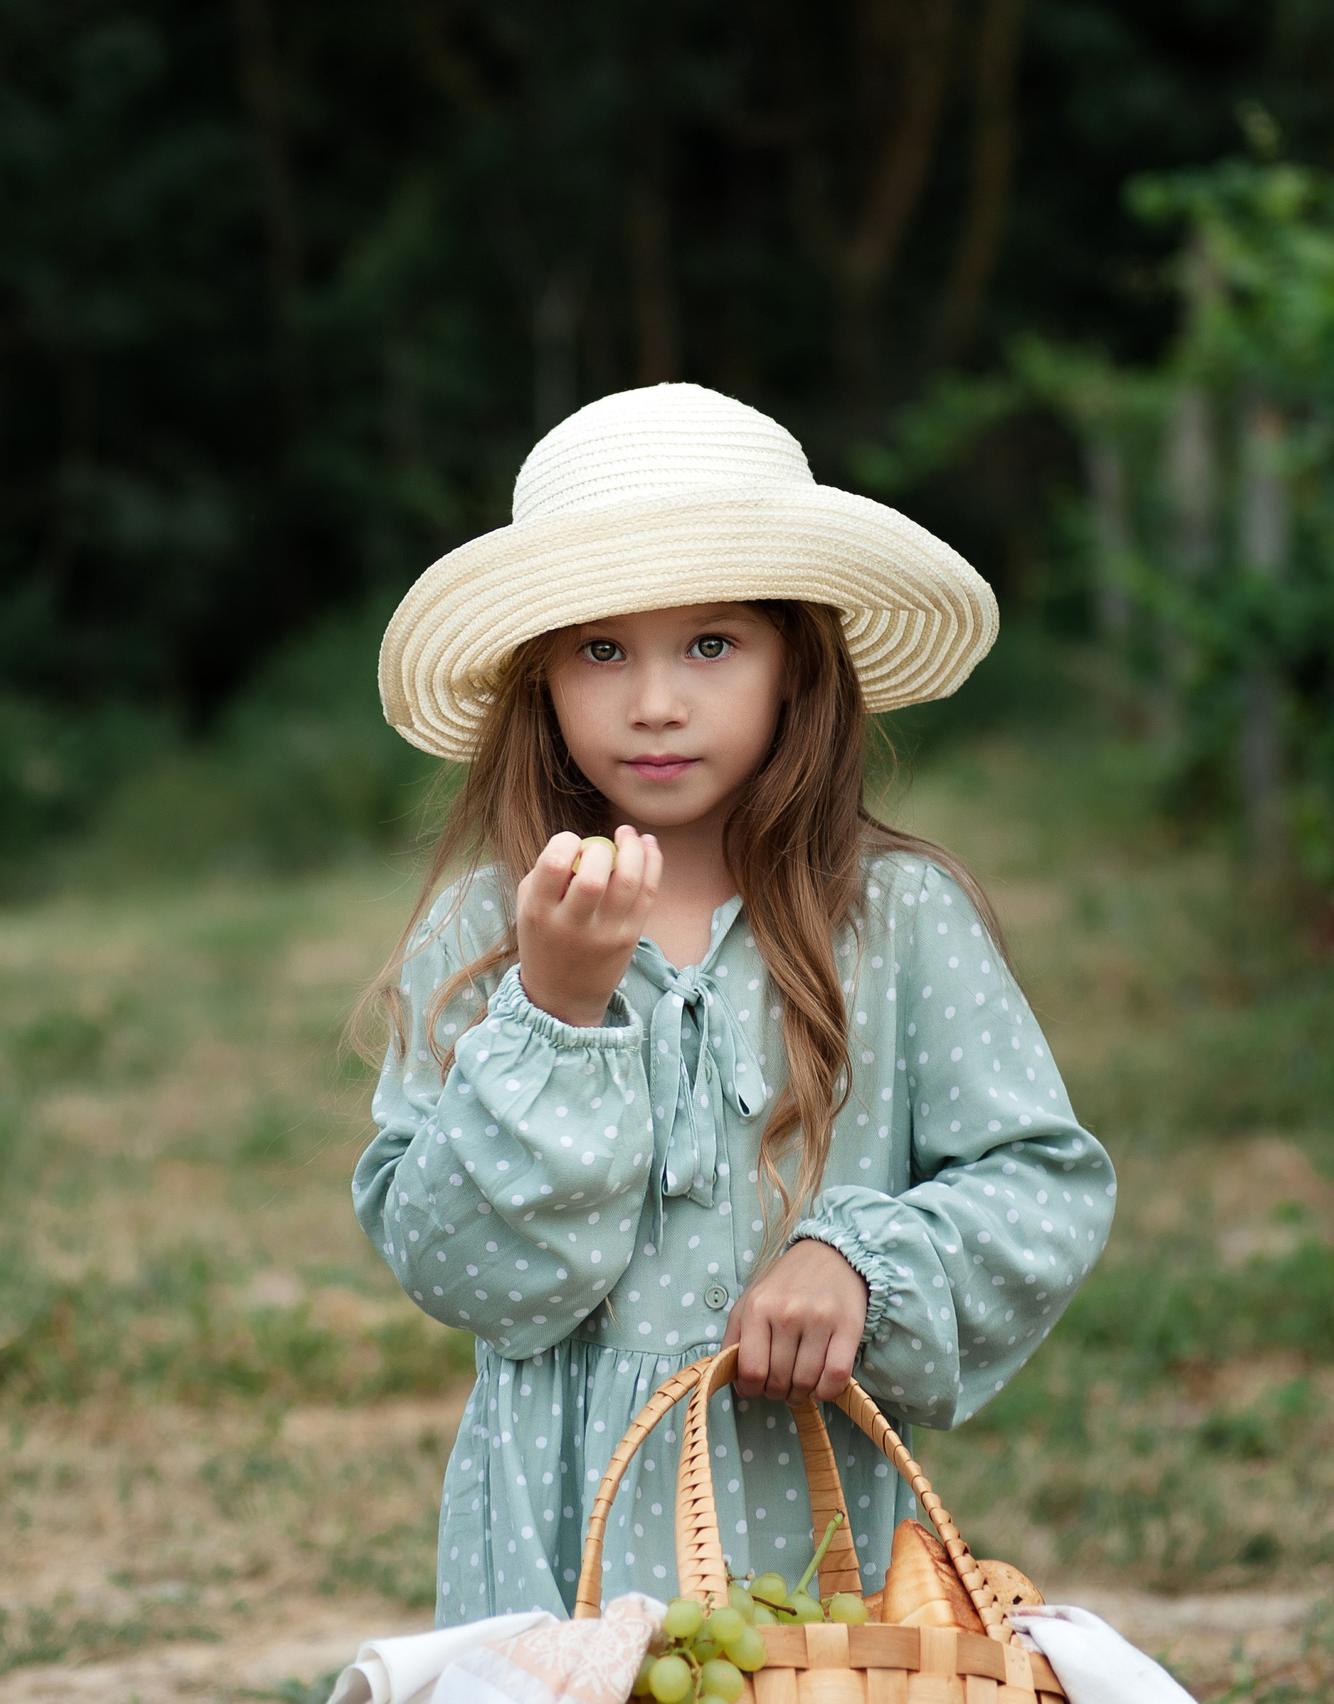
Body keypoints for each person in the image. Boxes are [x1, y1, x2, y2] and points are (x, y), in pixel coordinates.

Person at [355, 383, 1114, 1623]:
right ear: (540, 676)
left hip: (812, 1535)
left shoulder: (899, 920)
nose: (655, 701)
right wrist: (554, 1012)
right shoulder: (492, 930)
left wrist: (858, 1260)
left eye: (712, 644)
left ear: (795, 662)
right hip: (559, 1547)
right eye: (602, 649)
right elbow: (469, 1273)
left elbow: (1040, 1186)